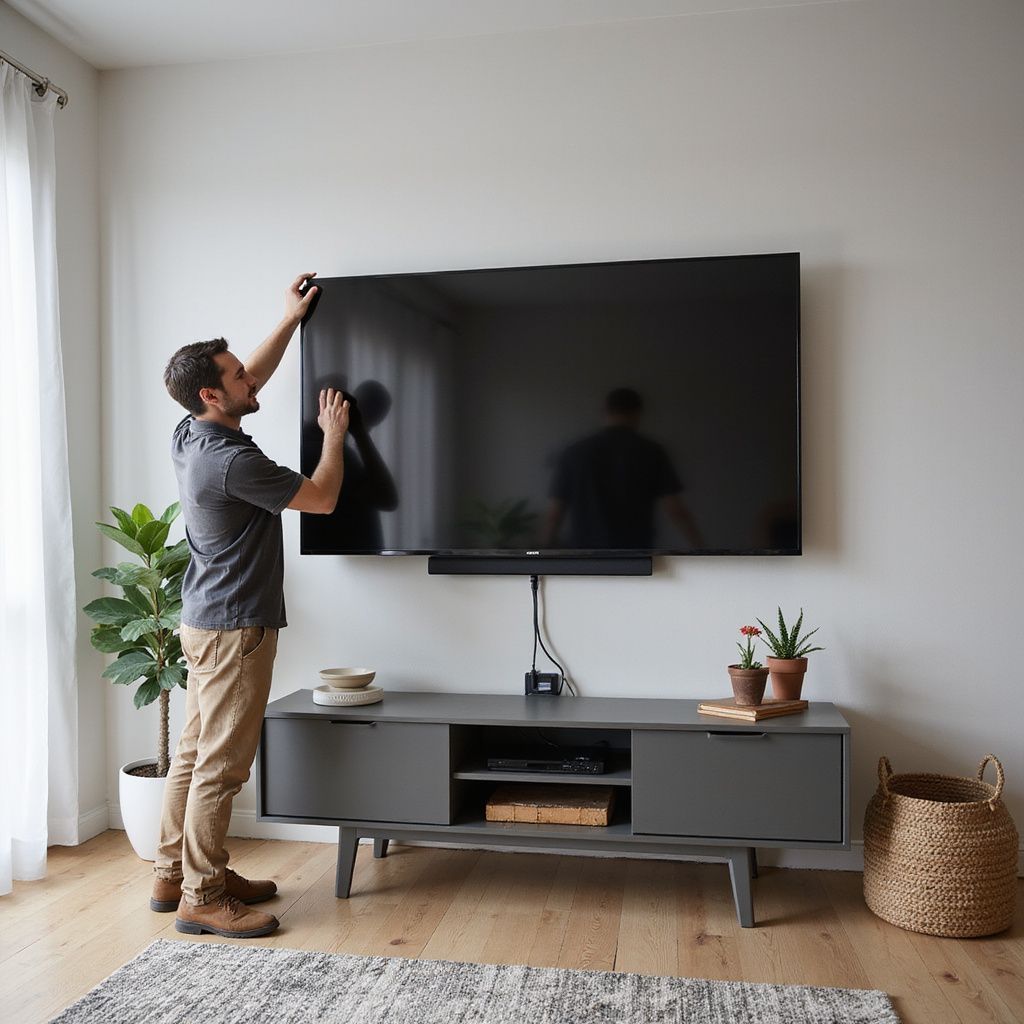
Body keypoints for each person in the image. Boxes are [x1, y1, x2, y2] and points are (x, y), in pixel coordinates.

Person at [154, 272, 349, 939]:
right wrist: (333, 433)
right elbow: (321, 498)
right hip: (236, 626)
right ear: (213, 394)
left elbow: (247, 375)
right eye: (239, 378)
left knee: (191, 753)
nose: (253, 382)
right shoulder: (233, 460)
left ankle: (170, 870)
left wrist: (290, 320)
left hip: (202, 621)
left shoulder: (190, 431)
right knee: (222, 764)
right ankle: (203, 896)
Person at [543, 387, 703, 550]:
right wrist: (700, 548)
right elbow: (675, 509)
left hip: (585, 553)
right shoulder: (651, 451)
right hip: (635, 553)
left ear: (605, 411)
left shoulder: (574, 452)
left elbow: (555, 513)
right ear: (638, 412)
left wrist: (543, 553)